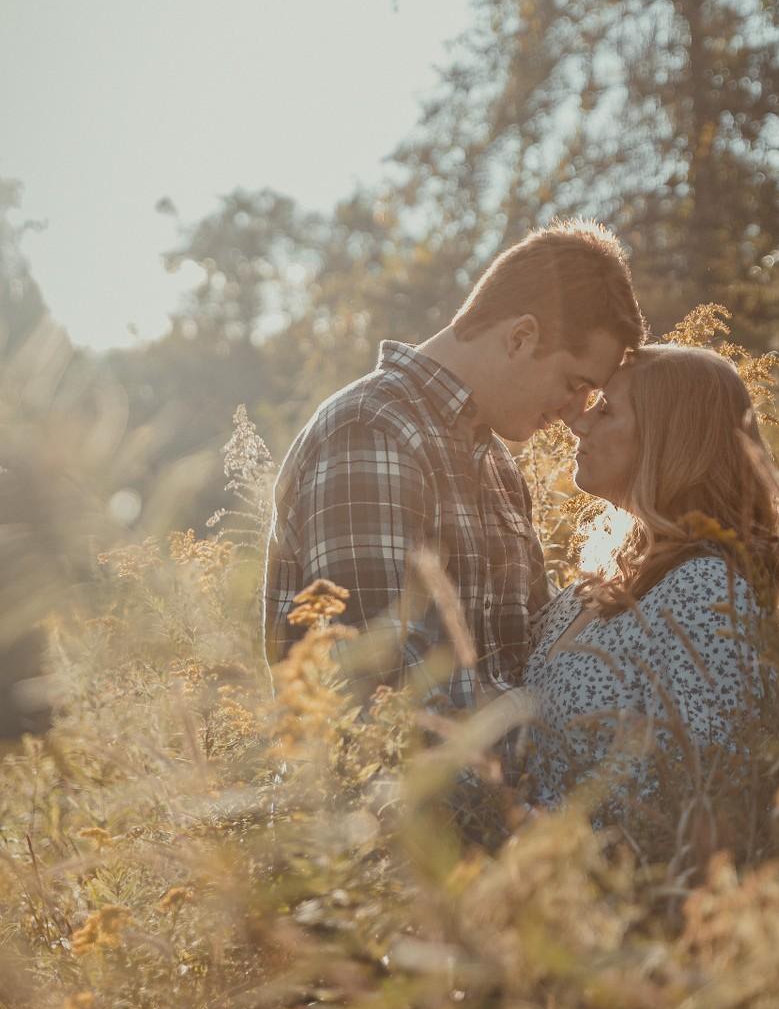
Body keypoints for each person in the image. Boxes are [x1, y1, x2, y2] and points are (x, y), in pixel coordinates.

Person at [263, 219, 646, 708]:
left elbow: (530, 656)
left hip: (505, 781)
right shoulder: (371, 431)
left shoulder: (497, 466)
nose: (574, 415)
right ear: (520, 337)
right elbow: (391, 696)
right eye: (574, 384)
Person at [519, 344, 779, 834]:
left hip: (612, 898)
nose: (578, 425)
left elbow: (704, 801)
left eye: (607, 410)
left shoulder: (707, 593)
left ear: (671, 440)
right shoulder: (600, 582)